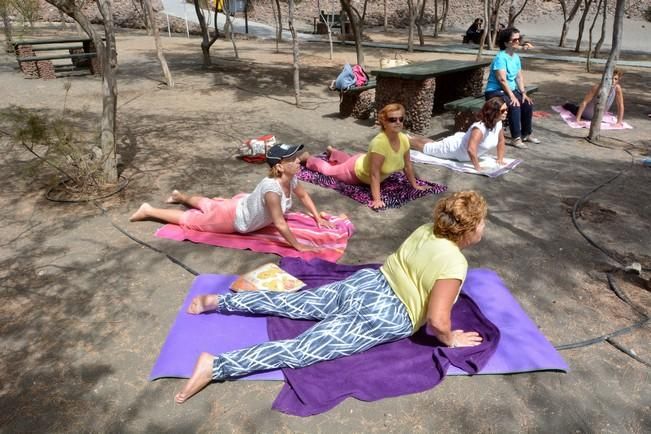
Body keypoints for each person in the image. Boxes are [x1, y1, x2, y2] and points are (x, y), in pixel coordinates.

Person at [174, 190, 488, 404]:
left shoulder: (427, 229)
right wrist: (450, 339)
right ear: (469, 229)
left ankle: (217, 301)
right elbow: (437, 319)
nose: (483, 228)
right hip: (383, 314)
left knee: (295, 303)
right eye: (482, 222)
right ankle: (216, 365)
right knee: (302, 350)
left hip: (368, 282)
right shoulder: (454, 262)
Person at [130, 144, 333, 252]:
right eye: (292, 159)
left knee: (209, 204)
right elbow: (280, 224)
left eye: (296, 157)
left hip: (240, 204)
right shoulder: (272, 190)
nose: (298, 161)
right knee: (192, 220)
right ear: (279, 167)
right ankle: (149, 210)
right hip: (233, 218)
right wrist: (298, 245)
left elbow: (304, 196)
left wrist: (317, 217)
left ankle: (180, 195)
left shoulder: (291, 179)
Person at [301, 103, 427, 209]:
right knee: (328, 170)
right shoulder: (380, 144)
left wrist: (414, 185)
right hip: (355, 172)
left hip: (362, 159)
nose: (398, 122)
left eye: (401, 119)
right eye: (392, 119)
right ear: (384, 121)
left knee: (347, 161)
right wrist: (377, 199)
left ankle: (333, 152)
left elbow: (408, 165)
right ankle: (308, 158)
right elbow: (374, 174)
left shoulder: (404, 139)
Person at [409, 97, 507, 172]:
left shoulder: (498, 122)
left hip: (460, 144)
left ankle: (410, 137)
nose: (506, 112)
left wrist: (500, 158)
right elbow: (471, 149)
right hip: (454, 149)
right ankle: (405, 140)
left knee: (433, 144)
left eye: (507, 110)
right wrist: (478, 167)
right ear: (493, 112)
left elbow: (501, 141)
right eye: (503, 111)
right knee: (428, 149)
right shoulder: (479, 128)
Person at [484, 27, 539, 149]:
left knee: (527, 103)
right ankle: (516, 138)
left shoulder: (516, 57)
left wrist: (523, 93)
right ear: (506, 42)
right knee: (514, 104)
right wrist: (513, 96)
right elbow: (502, 80)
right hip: (495, 91)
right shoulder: (500, 57)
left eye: (519, 39)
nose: (518, 42)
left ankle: (526, 133)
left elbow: (519, 77)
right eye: (514, 40)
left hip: (510, 90)